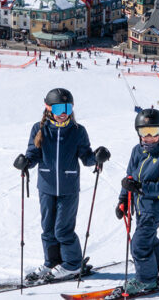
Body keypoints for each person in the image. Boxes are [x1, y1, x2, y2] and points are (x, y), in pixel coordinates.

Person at [14, 88, 111, 283]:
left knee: (63, 229)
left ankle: (73, 264)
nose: (63, 113)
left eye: (67, 108)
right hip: (46, 186)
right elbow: (34, 154)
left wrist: (97, 157)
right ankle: (52, 262)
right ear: (48, 108)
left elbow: (86, 157)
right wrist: (26, 162)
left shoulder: (77, 130)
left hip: (68, 188)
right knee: (48, 228)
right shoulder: (39, 129)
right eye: (58, 108)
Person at [115, 108, 159, 295]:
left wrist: (141, 187)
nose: (149, 137)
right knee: (148, 239)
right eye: (144, 132)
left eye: (154, 131)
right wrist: (123, 200)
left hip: (155, 209)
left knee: (139, 244)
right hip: (140, 207)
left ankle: (146, 280)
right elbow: (129, 178)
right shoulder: (137, 151)